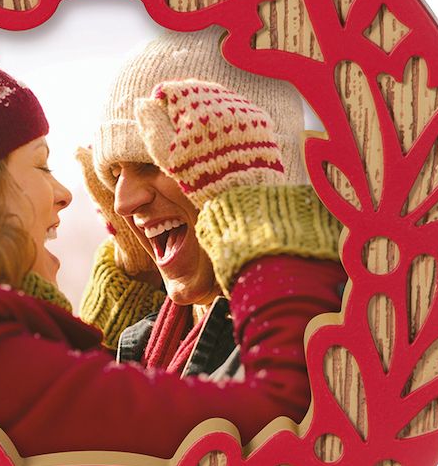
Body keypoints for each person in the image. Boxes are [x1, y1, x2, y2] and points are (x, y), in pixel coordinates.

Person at [0, 53, 344, 462]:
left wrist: (128, 294)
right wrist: (262, 222)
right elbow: (269, 421)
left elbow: (93, 410)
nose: (118, 202)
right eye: (41, 167)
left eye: (151, 163)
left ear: (260, 166)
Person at [77, 29, 329, 381]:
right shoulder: (154, 342)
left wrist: (253, 241)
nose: (122, 202)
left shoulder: (326, 330)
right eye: (115, 174)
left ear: (252, 167)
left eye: (151, 163)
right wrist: (130, 290)